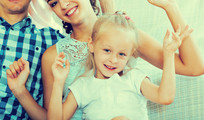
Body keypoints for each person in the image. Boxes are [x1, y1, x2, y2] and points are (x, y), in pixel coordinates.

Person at [6, 0, 204, 119]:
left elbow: (194, 67)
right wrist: (20, 91)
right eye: (54, 3)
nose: (64, 5)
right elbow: (53, 118)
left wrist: (171, 8)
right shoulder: (54, 56)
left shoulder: (124, 33)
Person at [47, 13, 192, 120]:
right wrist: (58, 83)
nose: (113, 60)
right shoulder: (82, 86)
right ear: (91, 45)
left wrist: (168, 54)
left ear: (130, 54)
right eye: (107, 50)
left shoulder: (134, 77)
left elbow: (165, 97)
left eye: (122, 54)